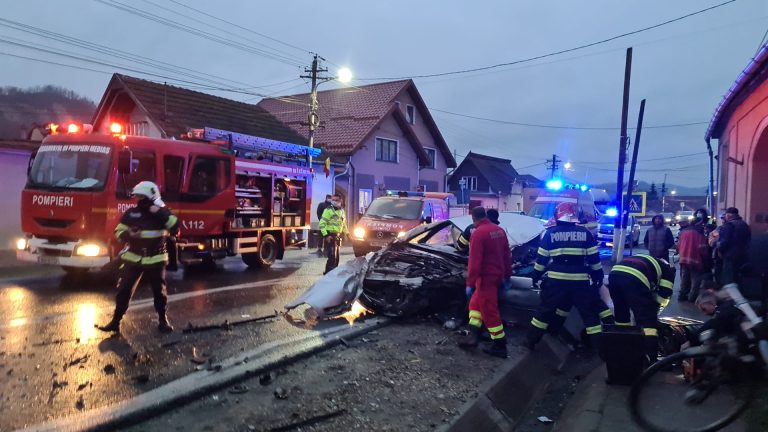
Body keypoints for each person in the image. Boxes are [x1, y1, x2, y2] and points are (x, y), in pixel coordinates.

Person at [97, 181, 179, 334]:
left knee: (159, 293)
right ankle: (115, 321)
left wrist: (158, 211)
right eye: (138, 197)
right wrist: (129, 234)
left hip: (156, 259)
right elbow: (118, 232)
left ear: (151, 197)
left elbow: (175, 226)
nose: (140, 200)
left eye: (143, 197)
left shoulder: (163, 213)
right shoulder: (131, 213)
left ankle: (163, 320)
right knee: (124, 290)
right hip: (133, 258)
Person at [524, 202, 605, 351]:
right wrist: (598, 275)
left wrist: (535, 276)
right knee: (589, 315)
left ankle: (531, 341)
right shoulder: (585, 233)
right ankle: (600, 349)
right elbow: (594, 259)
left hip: (556, 282)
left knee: (544, 311)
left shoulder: (550, 234)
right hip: (580, 282)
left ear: (557, 216)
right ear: (575, 216)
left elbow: (541, 260)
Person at [457, 207, 512, 358]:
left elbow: (474, 262)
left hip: (485, 278)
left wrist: (470, 283)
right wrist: (507, 275)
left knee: (489, 312)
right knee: (474, 306)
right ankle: (472, 336)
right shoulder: (498, 230)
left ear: (473, 217)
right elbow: (507, 255)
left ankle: (500, 345)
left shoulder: (478, 234)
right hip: (497, 276)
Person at [608, 254, 675, 363]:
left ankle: (623, 347)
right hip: (635, 278)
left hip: (615, 275)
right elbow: (664, 295)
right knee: (648, 323)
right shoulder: (668, 270)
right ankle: (652, 359)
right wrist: (654, 311)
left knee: (621, 314)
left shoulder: (647, 259)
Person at [677, 209, 712, 301]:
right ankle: (692, 298)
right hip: (695, 260)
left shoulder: (683, 232)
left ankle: (682, 295)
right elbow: (702, 248)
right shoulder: (699, 234)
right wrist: (706, 259)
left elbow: (678, 245)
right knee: (695, 280)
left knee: (684, 278)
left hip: (683, 259)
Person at [718, 207, 751, 285]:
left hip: (730, 256)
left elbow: (724, 242)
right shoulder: (744, 224)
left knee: (729, 280)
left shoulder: (729, 225)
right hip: (743, 255)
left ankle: (730, 296)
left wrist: (718, 248)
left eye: (725, 215)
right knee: (737, 279)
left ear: (729, 216)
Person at [319, 194, 348, 275]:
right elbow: (322, 224)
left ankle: (333, 275)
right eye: (333, 200)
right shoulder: (328, 210)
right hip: (330, 236)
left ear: (340, 201)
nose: (334, 202)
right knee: (332, 257)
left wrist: (348, 234)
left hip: (337, 236)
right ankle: (328, 274)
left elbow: (344, 224)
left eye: (336, 200)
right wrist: (326, 235)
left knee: (336, 258)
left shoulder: (341, 211)